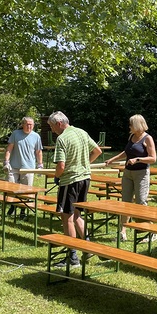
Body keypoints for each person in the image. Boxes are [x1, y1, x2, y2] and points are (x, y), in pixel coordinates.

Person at [48, 111, 102, 266]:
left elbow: (61, 166)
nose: (52, 130)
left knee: (67, 217)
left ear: (59, 124)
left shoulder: (62, 138)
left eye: (52, 126)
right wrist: (85, 164)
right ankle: (88, 247)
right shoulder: (81, 132)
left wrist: (57, 176)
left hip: (70, 181)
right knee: (77, 214)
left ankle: (72, 257)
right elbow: (97, 151)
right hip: (85, 179)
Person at [105, 114, 157, 241]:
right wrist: (112, 159)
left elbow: (153, 158)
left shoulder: (147, 138)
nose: (129, 126)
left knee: (140, 202)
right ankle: (122, 233)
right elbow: (127, 152)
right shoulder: (131, 137)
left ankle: (151, 231)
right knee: (125, 203)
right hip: (128, 173)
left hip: (141, 174)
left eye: (131, 124)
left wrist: (138, 159)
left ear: (137, 125)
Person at [2, 117, 43, 218]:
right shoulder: (16, 134)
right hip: (14, 167)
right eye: (27, 124)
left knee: (26, 191)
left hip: (28, 167)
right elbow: (9, 149)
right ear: (22, 124)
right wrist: (6, 162)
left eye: (31, 125)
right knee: (11, 188)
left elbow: (38, 152)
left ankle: (23, 211)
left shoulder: (36, 136)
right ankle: (12, 206)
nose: (29, 126)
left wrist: (40, 165)